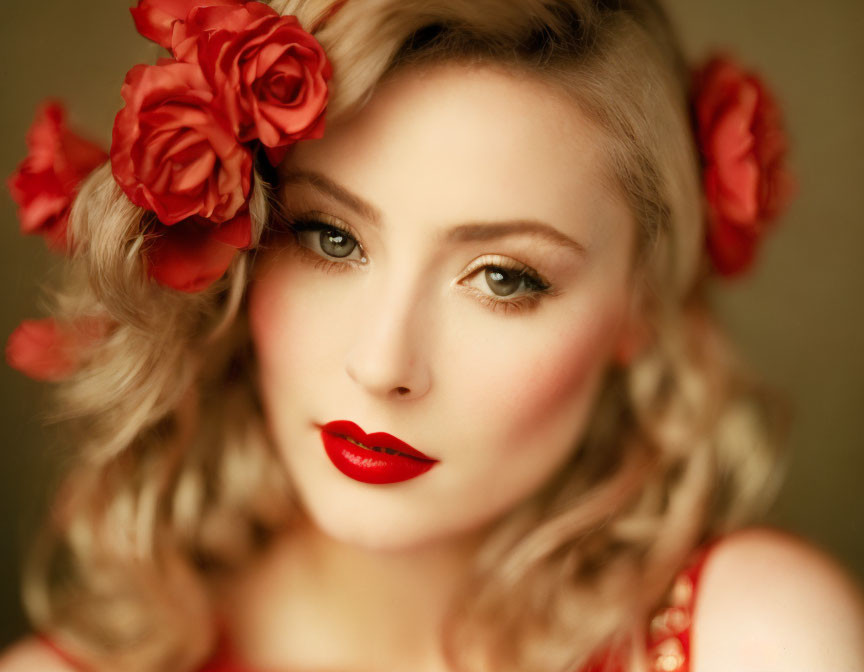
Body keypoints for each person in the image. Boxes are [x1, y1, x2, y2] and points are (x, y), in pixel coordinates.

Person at [2, 0, 863, 670]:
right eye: (329, 238)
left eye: (503, 278)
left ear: (639, 308)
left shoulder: (745, 640)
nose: (382, 366)